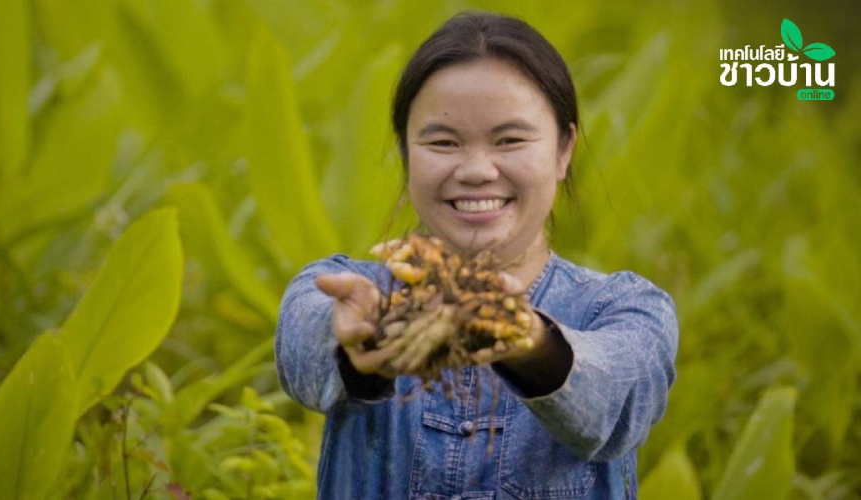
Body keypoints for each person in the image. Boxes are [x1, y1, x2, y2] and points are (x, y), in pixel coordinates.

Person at [275, 10, 678, 500]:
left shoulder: (628, 309)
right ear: (406, 153)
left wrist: (525, 338)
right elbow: (305, 349)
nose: (476, 170)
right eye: (443, 142)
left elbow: (614, 401)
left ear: (564, 150)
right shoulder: (340, 287)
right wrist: (367, 339)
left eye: (510, 140)